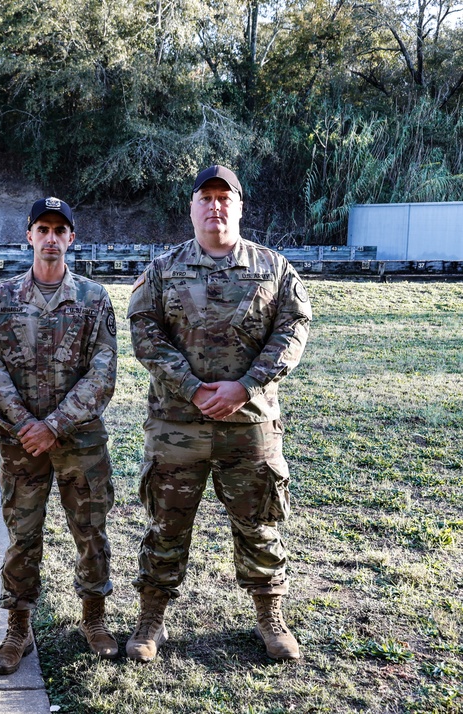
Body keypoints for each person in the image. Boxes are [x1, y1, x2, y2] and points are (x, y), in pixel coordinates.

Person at [125, 165, 312, 662]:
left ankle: (270, 617)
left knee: (259, 524)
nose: (215, 206)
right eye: (205, 198)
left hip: (248, 424)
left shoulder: (274, 268)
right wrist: (190, 387)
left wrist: (245, 386)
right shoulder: (163, 269)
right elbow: (145, 333)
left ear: (239, 206)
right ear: (191, 208)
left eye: (224, 198)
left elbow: (293, 330)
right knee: (166, 524)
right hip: (177, 425)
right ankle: (151, 620)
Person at [0, 197, 120, 674]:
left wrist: (54, 425)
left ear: (71, 238)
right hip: (22, 445)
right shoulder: (2, 299)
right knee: (22, 535)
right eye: (43, 228)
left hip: (79, 441)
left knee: (91, 531)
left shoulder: (94, 299)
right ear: (30, 236)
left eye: (61, 230)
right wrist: (24, 425)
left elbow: (102, 372)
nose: (52, 237)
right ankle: (18, 627)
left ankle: (95, 619)